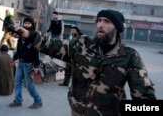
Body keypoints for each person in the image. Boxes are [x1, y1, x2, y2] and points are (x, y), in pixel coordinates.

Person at [12, 9, 156, 115]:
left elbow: (145, 98)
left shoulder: (129, 56)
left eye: (106, 21)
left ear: (117, 28)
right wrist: (28, 34)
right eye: (99, 20)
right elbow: (54, 45)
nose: (100, 25)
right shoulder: (82, 45)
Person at [9, 17, 43, 109]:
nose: (26, 25)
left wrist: (36, 65)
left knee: (29, 85)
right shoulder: (21, 36)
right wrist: (14, 58)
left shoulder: (34, 36)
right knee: (17, 82)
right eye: (25, 23)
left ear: (32, 25)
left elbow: (37, 52)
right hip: (21, 63)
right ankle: (18, 100)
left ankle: (38, 101)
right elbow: (19, 49)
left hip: (29, 64)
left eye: (29, 23)